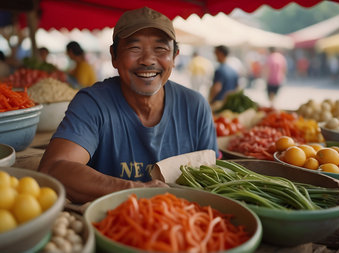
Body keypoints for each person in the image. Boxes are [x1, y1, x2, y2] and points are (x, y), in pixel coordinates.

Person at [38, 7, 219, 204]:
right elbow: (54, 169)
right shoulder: (93, 103)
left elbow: (211, 184)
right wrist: (137, 190)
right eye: (134, 48)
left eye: (160, 49)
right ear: (114, 56)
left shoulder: (195, 107)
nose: (148, 60)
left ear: (175, 57)